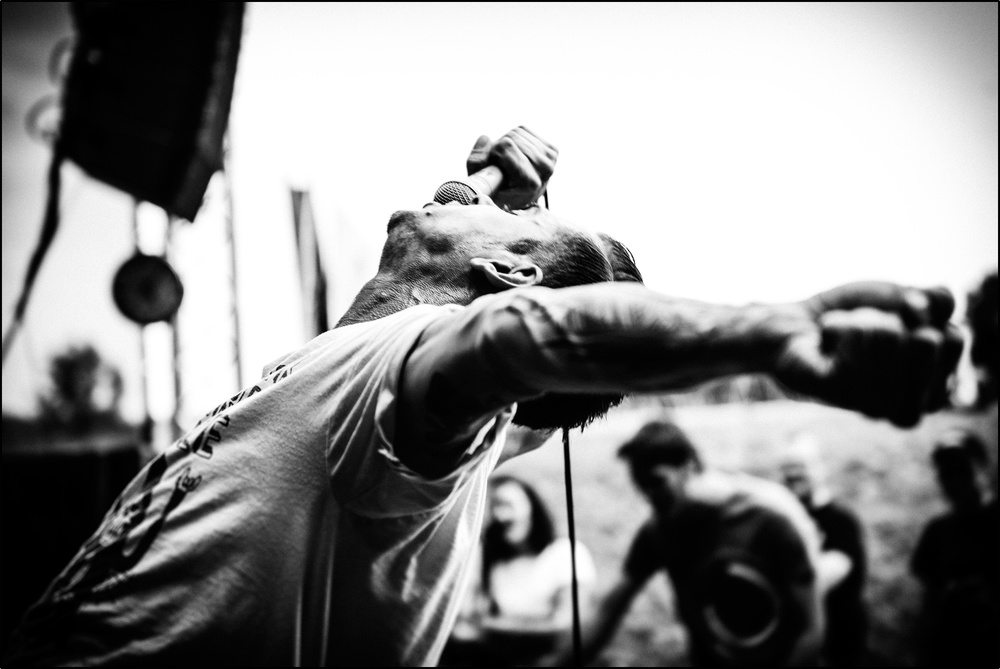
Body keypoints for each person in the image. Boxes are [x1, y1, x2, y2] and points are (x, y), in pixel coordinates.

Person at [3, 126, 963, 667]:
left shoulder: (397, 392)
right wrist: (503, 199)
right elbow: (516, 359)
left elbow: (519, 341)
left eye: (509, 219)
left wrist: (774, 331)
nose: (468, 191)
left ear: (511, 279)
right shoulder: (389, 403)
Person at [556, 420, 847, 667]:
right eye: (641, 487)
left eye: (657, 482)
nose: (650, 497)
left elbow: (811, 630)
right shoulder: (660, 531)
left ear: (689, 466)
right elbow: (608, 609)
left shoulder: (769, 518)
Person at [441, 474, 596, 666]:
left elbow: (566, 623)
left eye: (507, 504)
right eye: (492, 507)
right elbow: (465, 616)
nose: (500, 515)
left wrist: (490, 626)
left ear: (532, 506)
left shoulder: (565, 553)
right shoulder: (486, 558)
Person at [778, 433, 868, 667]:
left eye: (800, 466)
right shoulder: (780, 524)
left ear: (821, 468)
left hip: (839, 647)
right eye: (786, 467)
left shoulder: (841, 521)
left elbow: (820, 579)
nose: (792, 474)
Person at [910, 429, 998, 668]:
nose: (954, 482)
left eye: (962, 471)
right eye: (946, 474)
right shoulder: (938, 531)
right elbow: (930, 600)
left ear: (984, 469)